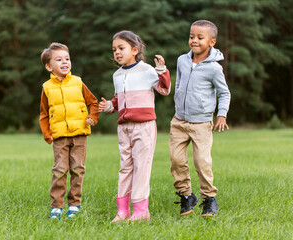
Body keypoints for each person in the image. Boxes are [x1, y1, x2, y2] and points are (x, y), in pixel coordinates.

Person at [99, 30, 171, 222]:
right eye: (114, 49)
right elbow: (117, 101)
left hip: (144, 127)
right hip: (124, 128)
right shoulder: (116, 75)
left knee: (141, 167)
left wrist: (162, 70)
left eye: (121, 48)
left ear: (134, 49)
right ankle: (122, 211)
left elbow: (164, 90)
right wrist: (107, 106)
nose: (117, 53)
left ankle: (140, 212)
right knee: (125, 168)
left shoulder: (147, 70)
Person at [170, 20, 231, 217]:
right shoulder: (182, 61)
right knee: (176, 161)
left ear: (211, 42)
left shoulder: (214, 68)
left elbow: (225, 93)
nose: (194, 40)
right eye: (191, 36)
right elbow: (179, 85)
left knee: (201, 162)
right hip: (178, 122)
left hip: (201, 123)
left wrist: (221, 114)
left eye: (199, 37)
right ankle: (187, 196)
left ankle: (209, 199)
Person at [39, 42, 99, 220]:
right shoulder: (47, 88)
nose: (65, 62)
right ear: (49, 66)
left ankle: (74, 205)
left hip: (80, 134)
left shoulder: (78, 82)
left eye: (67, 58)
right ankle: (56, 207)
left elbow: (93, 103)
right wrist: (46, 133)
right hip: (60, 138)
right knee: (59, 170)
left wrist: (92, 118)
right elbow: (43, 114)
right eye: (59, 60)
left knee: (78, 169)